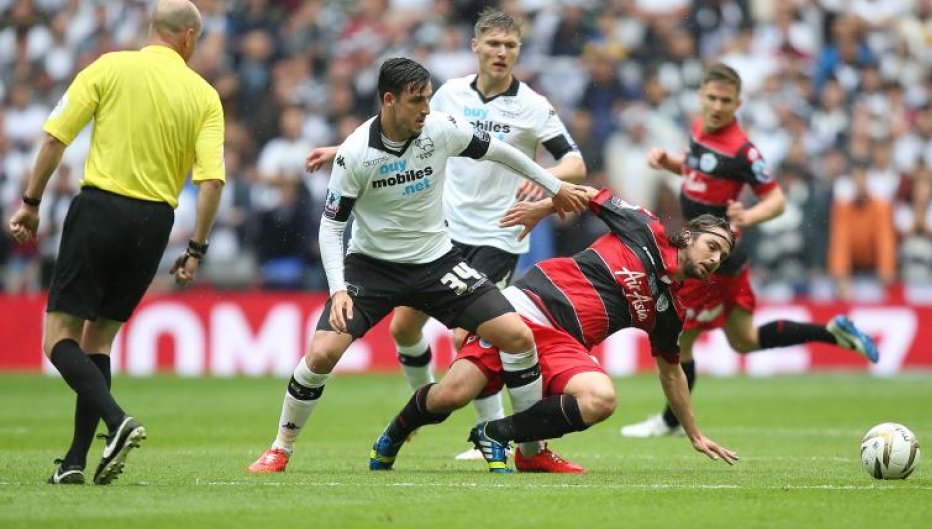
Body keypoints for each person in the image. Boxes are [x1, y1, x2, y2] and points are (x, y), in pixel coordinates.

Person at [247, 57, 589, 473]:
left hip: (436, 262)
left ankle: (531, 452)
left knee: (517, 337)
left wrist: (554, 186)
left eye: (428, 97)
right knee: (321, 355)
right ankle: (280, 448)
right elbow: (330, 227)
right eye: (416, 101)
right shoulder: (355, 153)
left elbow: (500, 151)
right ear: (389, 101)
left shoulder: (440, 129)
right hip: (371, 268)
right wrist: (338, 289)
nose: (426, 108)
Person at [7, 0, 225, 485]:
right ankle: (76, 462)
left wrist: (31, 201)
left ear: (154, 28)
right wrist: (196, 250)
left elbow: (54, 139)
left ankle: (117, 420)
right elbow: (211, 182)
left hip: (101, 208)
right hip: (155, 223)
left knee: (59, 338)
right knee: (98, 340)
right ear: (188, 37)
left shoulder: (110, 67)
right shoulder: (204, 95)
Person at [367, 187, 740, 473]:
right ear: (689, 236)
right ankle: (393, 434)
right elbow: (588, 194)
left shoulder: (670, 309)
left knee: (601, 399)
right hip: (524, 308)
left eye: (721, 257)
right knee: (452, 395)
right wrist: (542, 208)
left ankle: (498, 436)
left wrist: (693, 433)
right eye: (712, 246)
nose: (713, 259)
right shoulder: (644, 228)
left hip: (565, 345)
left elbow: (671, 370)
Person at [620, 63, 879, 439]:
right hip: (723, 258)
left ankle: (670, 422)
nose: (717, 106)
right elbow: (699, 173)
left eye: (726, 101)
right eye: (712, 98)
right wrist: (670, 163)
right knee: (744, 340)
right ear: (701, 97)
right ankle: (832, 332)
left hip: (712, 261)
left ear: (738, 103)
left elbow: (775, 201)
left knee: (680, 337)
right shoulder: (698, 128)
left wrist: (748, 214)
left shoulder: (743, 150)